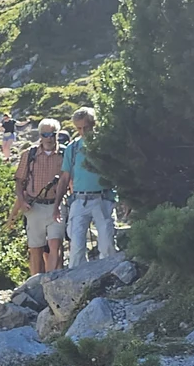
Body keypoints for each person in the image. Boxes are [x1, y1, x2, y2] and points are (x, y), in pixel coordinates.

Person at [63, 104, 117, 265]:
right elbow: (65, 177)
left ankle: (109, 273)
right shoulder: (72, 148)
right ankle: (75, 277)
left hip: (103, 198)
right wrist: (57, 203)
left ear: (94, 124)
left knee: (107, 244)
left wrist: (125, 198)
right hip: (79, 200)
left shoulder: (105, 145)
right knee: (76, 246)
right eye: (79, 128)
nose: (83, 132)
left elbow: (118, 172)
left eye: (86, 127)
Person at [14, 118, 68, 275]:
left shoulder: (65, 154)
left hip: (57, 205)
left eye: (52, 134)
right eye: (45, 135)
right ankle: (36, 283)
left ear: (57, 134)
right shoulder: (29, 154)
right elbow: (19, 181)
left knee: (56, 245)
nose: (49, 138)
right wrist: (22, 202)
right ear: (40, 135)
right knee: (36, 249)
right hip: (35, 207)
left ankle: (52, 281)